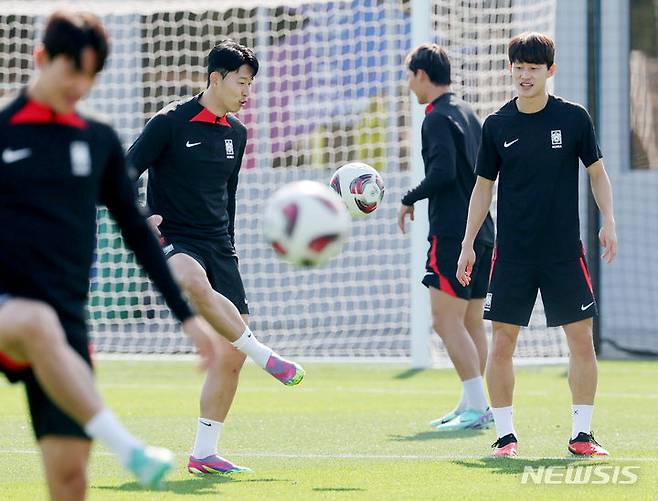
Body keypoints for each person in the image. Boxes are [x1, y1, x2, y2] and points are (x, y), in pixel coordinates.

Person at [0, 10, 223, 499]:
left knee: (69, 481)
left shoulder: (96, 139)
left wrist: (187, 319)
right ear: (41, 58)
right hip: (8, 310)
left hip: (67, 320)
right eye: (71, 71)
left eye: (91, 76)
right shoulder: (4, 129)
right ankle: (128, 448)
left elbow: (139, 236)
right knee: (33, 320)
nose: (80, 85)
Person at [127, 39, 305, 475]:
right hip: (172, 238)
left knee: (231, 356)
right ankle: (268, 356)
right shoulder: (169, 122)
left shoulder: (237, 133)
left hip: (219, 245)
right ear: (215, 78)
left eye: (251, 84)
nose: (247, 92)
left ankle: (204, 453)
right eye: (241, 83)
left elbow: (229, 199)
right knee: (189, 278)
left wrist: (229, 245)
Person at [457, 32, 617, 457]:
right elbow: (482, 188)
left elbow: (597, 173)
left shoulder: (574, 118)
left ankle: (582, 435)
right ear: (510, 69)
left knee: (582, 339)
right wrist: (468, 242)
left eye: (534, 67)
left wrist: (609, 221)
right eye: (519, 67)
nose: (525, 75)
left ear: (550, 71)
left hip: (564, 252)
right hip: (513, 255)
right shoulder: (496, 125)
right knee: (503, 341)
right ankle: (505, 436)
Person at [398, 43, 495, 431]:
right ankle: (471, 403)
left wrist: (408, 199)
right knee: (471, 323)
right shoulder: (468, 112)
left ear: (421, 74)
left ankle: (477, 408)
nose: (408, 85)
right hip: (482, 229)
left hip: (454, 233)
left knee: (444, 321)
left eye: (409, 76)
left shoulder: (436, 117)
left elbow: (442, 174)